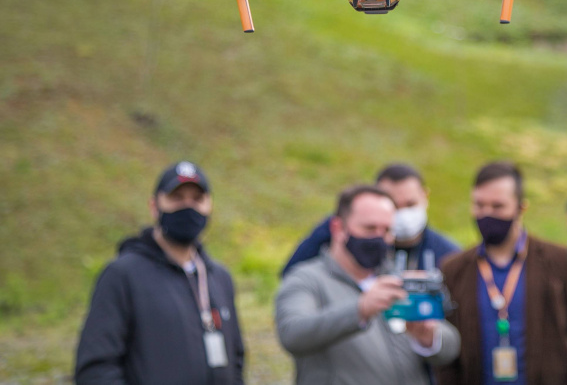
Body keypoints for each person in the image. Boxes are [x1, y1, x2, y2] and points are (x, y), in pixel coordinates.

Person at [75, 161, 245, 385]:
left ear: (209, 205)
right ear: (154, 206)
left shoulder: (219, 278)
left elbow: (236, 359)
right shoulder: (122, 276)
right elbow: (96, 369)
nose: (188, 207)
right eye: (177, 198)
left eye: (197, 199)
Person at [275, 184, 460, 385]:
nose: (379, 238)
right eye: (370, 228)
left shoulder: (396, 277)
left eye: (387, 230)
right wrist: (360, 309)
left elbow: (450, 349)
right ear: (338, 228)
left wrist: (429, 337)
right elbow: (292, 334)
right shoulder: (307, 279)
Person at [436, 162, 567, 385]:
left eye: (497, 206)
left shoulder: (558, 263)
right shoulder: (454, 269)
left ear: (521, 208)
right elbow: (446, 351)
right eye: (479, 205)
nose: (486, 214)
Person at [282, 163, 459, 275]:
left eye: (410, 204)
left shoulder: (447, 253)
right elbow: (292, 276)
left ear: (425, 196)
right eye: (393, 205)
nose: (402, 214)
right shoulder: (340, 231)